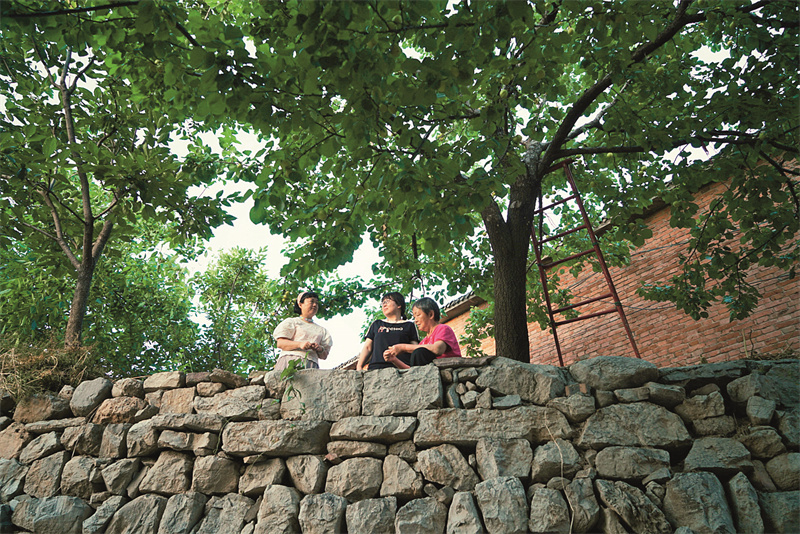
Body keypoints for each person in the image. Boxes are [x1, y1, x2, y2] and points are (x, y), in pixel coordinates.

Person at [383, 297, 462, 368]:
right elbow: (412, 370)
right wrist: (394, 360)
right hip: (428, 374)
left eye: (418, 315)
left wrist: (403, 347)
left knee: (419, 353)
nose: (415, 320)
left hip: (449, 369)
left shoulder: (443, 328)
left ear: (431, 314)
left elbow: (438, 349)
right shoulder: (424, 342)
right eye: (414, 317)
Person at [356, 292, 419, 370]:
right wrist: (359, 367)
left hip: (402, 369)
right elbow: (368, 347)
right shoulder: (377, 324)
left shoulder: (409, 325)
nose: (384, 305)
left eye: (387, 302)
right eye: (383, 303)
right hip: (377, 369)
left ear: (399, 305)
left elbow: (415, 349)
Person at [272, 291, 332, 372]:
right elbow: (280, 343)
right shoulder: (292, 322)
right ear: (300, 304)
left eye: (316, 303)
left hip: (311, 365)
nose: (315, 305)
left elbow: (324, 356)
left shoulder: (322, 330)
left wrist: (320, 349)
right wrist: (300, 344)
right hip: (289, 361)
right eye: (311, 301)